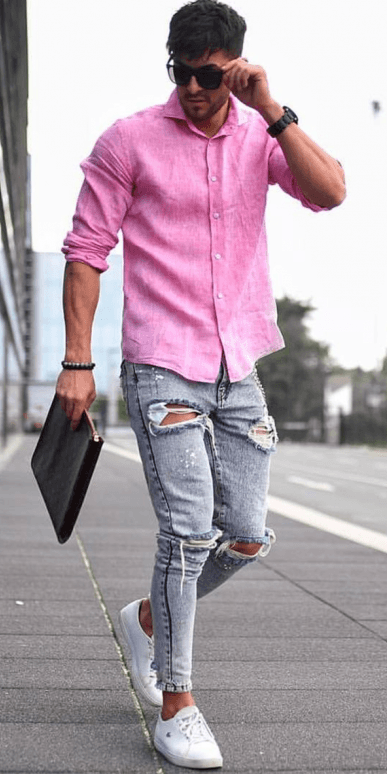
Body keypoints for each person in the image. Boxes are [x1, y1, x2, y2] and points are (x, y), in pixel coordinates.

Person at [57, 0, 346, 767]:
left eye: (208, 75)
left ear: (236, 68)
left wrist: (272, 109)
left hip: (238, 363)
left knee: (245, 536)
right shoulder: (128, 141)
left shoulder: (259, 133)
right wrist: (78, 361)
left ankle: (149, 617)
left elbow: (329, 192)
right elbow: (86, 251)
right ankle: (177, 702)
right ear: (170, 66)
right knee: (186, 532)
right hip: (161, 361)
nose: (192, 87)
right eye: (181, 73)